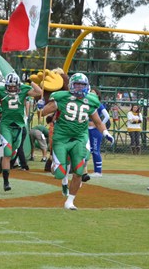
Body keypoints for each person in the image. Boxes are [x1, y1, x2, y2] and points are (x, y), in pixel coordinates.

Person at [41, 73, 114, 210]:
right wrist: (40, 106)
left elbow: (97, 121)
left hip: (80, 137)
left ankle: (70, 201)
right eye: (77, 85)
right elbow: (44, 113)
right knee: (59, 173)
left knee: (79, 170)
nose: (80, 88)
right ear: (71, 86)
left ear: (87, 86)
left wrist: (105, 133)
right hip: (61, 138)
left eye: (82, 85)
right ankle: (55, 166)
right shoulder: (61, 97)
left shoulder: (91, 100)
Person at [0, 72, 42, 191]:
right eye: (10, 86)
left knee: (13, 153)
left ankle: (4, 161)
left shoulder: (24, 89)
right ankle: (6, 182)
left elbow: (39, 92)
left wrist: (30, 81)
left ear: (18, 85)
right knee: (8, 152)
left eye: (14, 86)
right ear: (6, 85)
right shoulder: (1, 90)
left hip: (19, 126)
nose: (12, 88)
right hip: (6, 125)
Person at [87, 89, 110, 177]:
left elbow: (107, 116)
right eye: (90, 92)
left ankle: (98, 171)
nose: (91, 94)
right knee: (88, 149)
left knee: (95, 150)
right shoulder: (87, 103)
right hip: (87, 129)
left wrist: (99, 124)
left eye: (93, 93)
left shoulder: (98, 104)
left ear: (97, 95)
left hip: (95, 130)